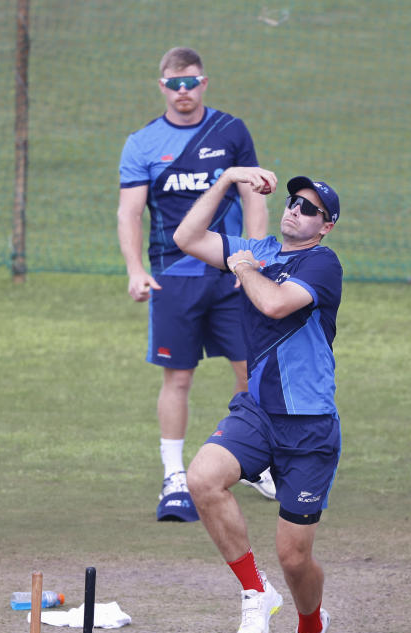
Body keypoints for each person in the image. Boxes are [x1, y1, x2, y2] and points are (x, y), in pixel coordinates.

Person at [173, 165, 342, 633]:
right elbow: (187, 237)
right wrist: (226, 180)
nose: (296, 209)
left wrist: (243, 268)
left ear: (325, 225)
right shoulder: (260, 249)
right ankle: (254, 590)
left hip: (309, 428)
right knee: (201, 478)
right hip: (258, 411)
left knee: (295, 558)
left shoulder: (323, 263)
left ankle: (310, 628)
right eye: (294, 202)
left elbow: (272, 303)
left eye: (309, 208)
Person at [118, 47, 274, 522]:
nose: (183, 92)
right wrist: (134, 269)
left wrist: (257, 255)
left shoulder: (230, 131)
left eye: (191, 83)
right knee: (178, 376)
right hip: (172, 277)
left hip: (229, 272)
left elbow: (254, 195)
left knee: (252, 370)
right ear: (161, 86)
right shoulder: (142, 143)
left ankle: (253, 461)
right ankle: (174, 474)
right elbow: (129, 212)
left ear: (204, 83)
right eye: (174, 84)